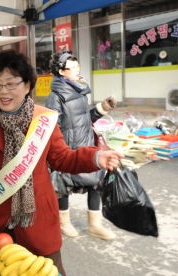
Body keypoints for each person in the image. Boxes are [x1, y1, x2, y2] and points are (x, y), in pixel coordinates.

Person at [0, 49, 122, 276]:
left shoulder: (43, 119)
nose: (4, 91)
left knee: (51, 272)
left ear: (27, 86)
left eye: (11, 84)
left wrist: (96, 157)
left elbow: (63, 158)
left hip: (38, 219)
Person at [45, 49, 118, 241]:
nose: (78, 69)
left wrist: (102, 108)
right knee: (63, 184)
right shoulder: (55, 97)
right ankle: (64, 222)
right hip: (68, 149)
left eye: (78, 66)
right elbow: (51, 128)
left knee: (96, 182)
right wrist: (56, 153)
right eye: (73, 67)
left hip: (86, 145)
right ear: (61, 72)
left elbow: (85, 119)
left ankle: (95, 225)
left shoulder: (79, 89)